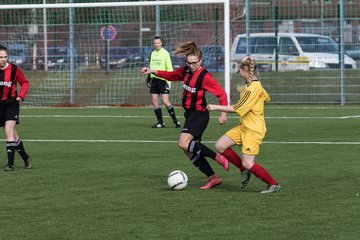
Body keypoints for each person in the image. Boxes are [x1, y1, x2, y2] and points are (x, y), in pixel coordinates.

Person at [141, 41, 229, 189]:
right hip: (190, 115)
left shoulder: (205, 76)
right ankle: (213, 178)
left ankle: (219, 158)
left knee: (182, 143)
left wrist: (223, 114)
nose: (192, 66)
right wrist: (152, 71)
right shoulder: (186, 71)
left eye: (194, 63)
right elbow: (171, 75)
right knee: (187, 150)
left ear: (200, 60)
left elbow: (222, 94)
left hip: (200, 114)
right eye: (189, 63)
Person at [207, 56, 281, 193]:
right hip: (244, 126)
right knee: (220, 145)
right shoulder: (255, 85)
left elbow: (236, 109)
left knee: (248, 162)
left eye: (239, 70)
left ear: (245, 70)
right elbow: (267, 97)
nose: (238, 73)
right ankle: (243, 170)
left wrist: (215, 107)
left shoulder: (251, 89)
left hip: (253, 130)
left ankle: (273, 184)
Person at [0, 45, 32, 171]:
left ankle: (11, 164)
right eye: (0, 57)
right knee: (13, 134)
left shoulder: (14, 69)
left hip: (11, 104)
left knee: (8, 131)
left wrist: (21, 96)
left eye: (5, 57)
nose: (3, 59)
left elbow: (25, 82)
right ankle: (25, 157)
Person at [147, 36, 181, 128]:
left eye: (158, 43)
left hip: (163, 80)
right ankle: (160, 123)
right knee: (154, 101)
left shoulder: (165, 53)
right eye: (155, 43)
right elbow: (151, 66)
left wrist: (169, 82)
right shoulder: (152, 53)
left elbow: (169, 68)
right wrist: (149, 77)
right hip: (154, 80)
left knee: (166, 102)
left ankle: (175, 121)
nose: (156, 44)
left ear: (161, 43)